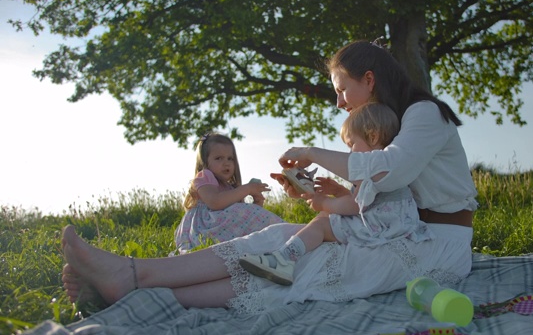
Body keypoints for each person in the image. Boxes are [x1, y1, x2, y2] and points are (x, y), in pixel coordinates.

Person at [61, 39, 477, 313]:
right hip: (395, 233)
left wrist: (313, 153)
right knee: (280, 242)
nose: (337, 101)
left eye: (342, 89)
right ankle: (134, 276)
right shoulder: (386, 126)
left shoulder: (422, 114)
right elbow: (378, 195)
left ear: (369, 80)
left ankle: (142, 294)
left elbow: (388, 172)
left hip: (437, 246)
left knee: (308, 263)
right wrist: (323, 190)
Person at [239, 102, 431, 286]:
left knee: (323, 223)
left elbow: (354, 207)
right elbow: (362, 201)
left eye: (352, 144)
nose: (349, 152)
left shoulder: (374, 169)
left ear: (373, 137)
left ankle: (283, 260)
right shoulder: (386, 169)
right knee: (326, 217)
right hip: (392, 224)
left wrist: (324, 203)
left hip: (383, 227)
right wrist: (338, 191)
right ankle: (284, 255)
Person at [173, 132, 283, 254]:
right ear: (205, 161)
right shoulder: (205, 176)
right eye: (218, 158)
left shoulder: (230, 188)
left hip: (221, 231)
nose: (226, 163)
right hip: (205, 230)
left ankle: (282, 238)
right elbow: (215, 202)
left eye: (230, 158)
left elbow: (244, 223)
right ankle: (286, 236)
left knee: (250, 213)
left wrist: (257, 202)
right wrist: (247, 189)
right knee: (246, 211)